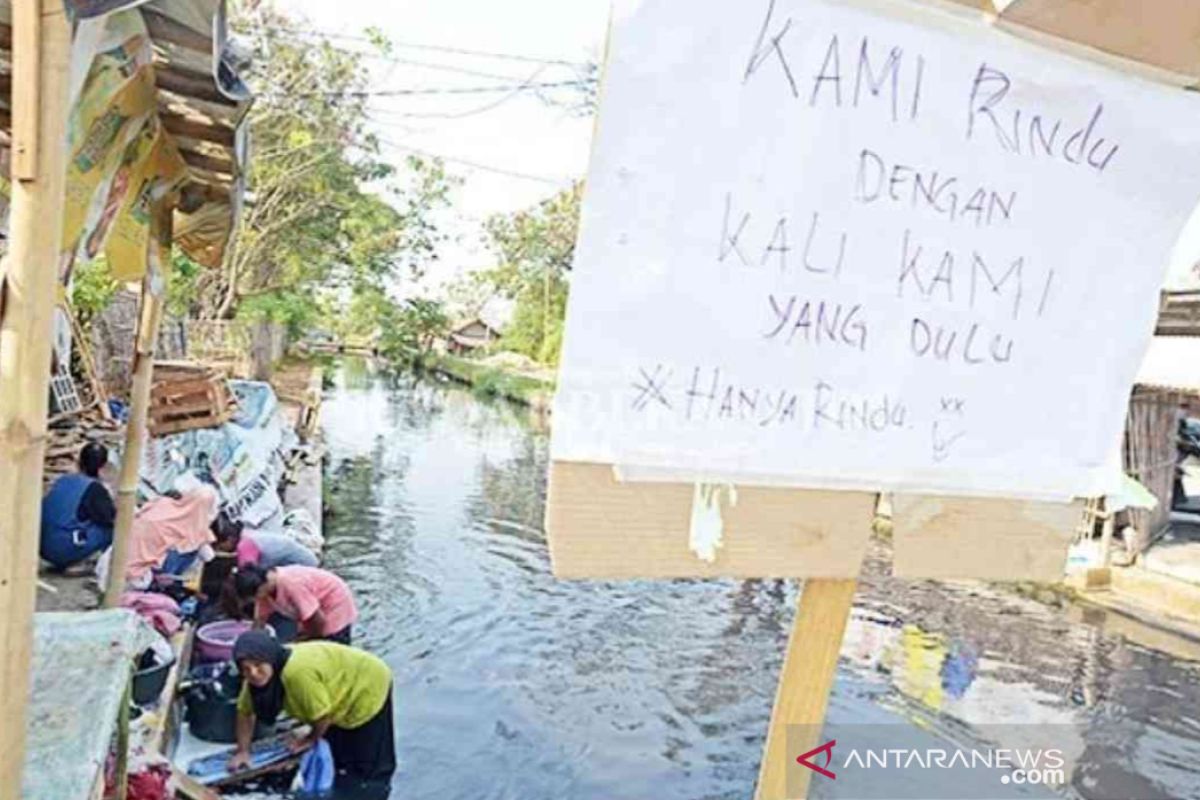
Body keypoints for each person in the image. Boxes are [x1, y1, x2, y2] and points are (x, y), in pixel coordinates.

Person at [228, 631, 396, 788]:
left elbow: (323, 717)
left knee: (369, 762)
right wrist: (243, 751)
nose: (254, 673)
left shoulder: (297, 675)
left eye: (258, 665)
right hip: (334, 689)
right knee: (338, 753)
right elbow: (245, 713)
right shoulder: (252, 682)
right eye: (246, 669)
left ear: (270, 659)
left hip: (366, 683)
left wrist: (309, 739)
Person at [235, 564, 357, 644]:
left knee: (331, 649)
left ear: (262, 586)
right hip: (312, 609)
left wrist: (302, 642)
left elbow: (318, 620)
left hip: (334, 605)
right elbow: (260, 619)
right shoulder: (265, 590)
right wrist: (251, 641)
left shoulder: (292, 584)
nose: (256, 599)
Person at [40, 443, 115, 571]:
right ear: (103, 467)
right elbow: (110, 518)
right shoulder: (94, 488)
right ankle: (82, 563)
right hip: (63, 548)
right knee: (114, 530)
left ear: (79, 462)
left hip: (42, 546)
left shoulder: (63, 479)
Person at [211, 513, 319, 569]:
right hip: (303, 559)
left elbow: (250, 575)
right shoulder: (247, 534)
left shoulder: (245, 547)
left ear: (229, 539)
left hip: (303, 567)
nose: (221, 550)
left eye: (220, 546)